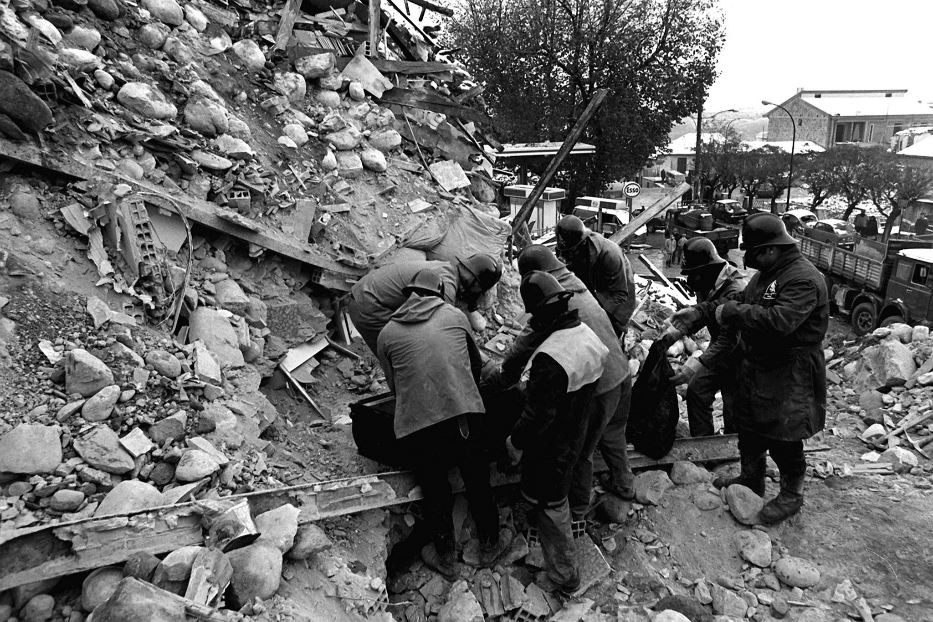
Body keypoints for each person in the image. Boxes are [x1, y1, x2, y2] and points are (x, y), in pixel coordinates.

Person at [669, 213, 828, 524]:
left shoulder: (803, 278)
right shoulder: (768, 274)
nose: (748, 259)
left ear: (769, 250)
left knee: (785, 433)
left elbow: (779, 321)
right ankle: (751, 478)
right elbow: (740, 301)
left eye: (752, 252)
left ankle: (792, 494)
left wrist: (730, 311)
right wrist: (699, 313)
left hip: (790, 369)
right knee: (750, 424)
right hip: (759, 364)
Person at [487, 244, 635, 519]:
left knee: (578, 450)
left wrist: (500, 378)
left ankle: (575, 511)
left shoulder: (553, 304)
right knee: (612, 434)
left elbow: (526, 344)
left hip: (597, 382)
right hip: (619, 370)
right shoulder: (572, 283)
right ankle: (625, 486)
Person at [376, 270, 502, 578]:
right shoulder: (456, 316)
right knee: (476, 477)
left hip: (417, 427)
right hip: (461, 416)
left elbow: (395, 389)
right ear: (439, 293)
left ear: (408, 294)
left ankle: (445, 555)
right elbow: (476, 366)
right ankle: (490, 543)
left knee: (435, 490)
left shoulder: (387, 334)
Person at [504, 271, 608, 593]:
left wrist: (515, 442)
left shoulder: (551, 358)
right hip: (578, 423)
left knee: (551, 502)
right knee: (559, 483)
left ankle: (566, 575)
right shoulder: (584, 333)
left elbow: (538, 415)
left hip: (554, 443)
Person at [660, 238, 747, 437]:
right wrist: (676, 332)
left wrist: (697, 363)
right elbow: (702, 314)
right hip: (719, 351)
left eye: (693, 274)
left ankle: (731, 455)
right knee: (697, 390)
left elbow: (730, 339)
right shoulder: (707, 283)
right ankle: (703, 442)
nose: (691, 281)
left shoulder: (735, 290)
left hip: (740, 355)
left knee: (733, 407)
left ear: (707, 269)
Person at [348, 253, 502, 355]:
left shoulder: (447, 268)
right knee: (402, 357)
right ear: (475, 284)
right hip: (368, 304)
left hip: (366, 294)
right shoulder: (446, 286)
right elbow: (443, 333)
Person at [555, 215, 636, 337]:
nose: (568, 257)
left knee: (608, 334)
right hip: (596, 287)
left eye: (570, 252)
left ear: (581, 244)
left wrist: (599, 317)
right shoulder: (573, 250)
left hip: (618, 297)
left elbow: (620, 294)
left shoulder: (610, 254)